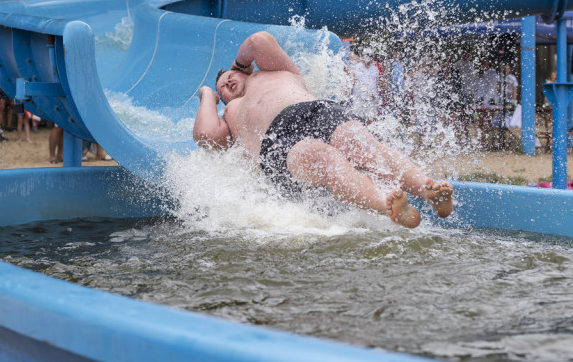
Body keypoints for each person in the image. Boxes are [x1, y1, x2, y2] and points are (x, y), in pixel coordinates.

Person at [193, 31, 453, 228]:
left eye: (229, 76)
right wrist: (208, 95)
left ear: (245, 71)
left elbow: (259, 40)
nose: (226, 83)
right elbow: (206, 137)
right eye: (222, 89)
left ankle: (428, 189)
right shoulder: (230, 114)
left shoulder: (277, 71)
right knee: (324, 159)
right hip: (278, 139)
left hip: (318, 111)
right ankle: (388, 205)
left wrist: (239, 65)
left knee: (364, 147)